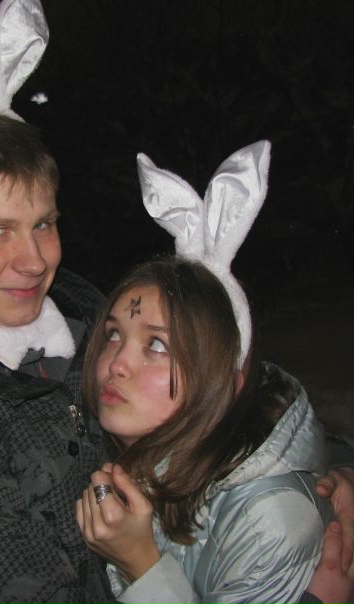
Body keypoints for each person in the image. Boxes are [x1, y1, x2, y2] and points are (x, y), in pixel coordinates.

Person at [0, 3, 354, 604]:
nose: (33, 260)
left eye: (43, 224)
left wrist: (323, 480)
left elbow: (221, 401)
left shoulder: (88, 317)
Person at [76, 145, 354, 604]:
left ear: (225, 383)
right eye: (113, 334)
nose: (117, 363)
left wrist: (141, 567)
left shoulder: (267, 521)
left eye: (157, 345)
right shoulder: (145, 457)